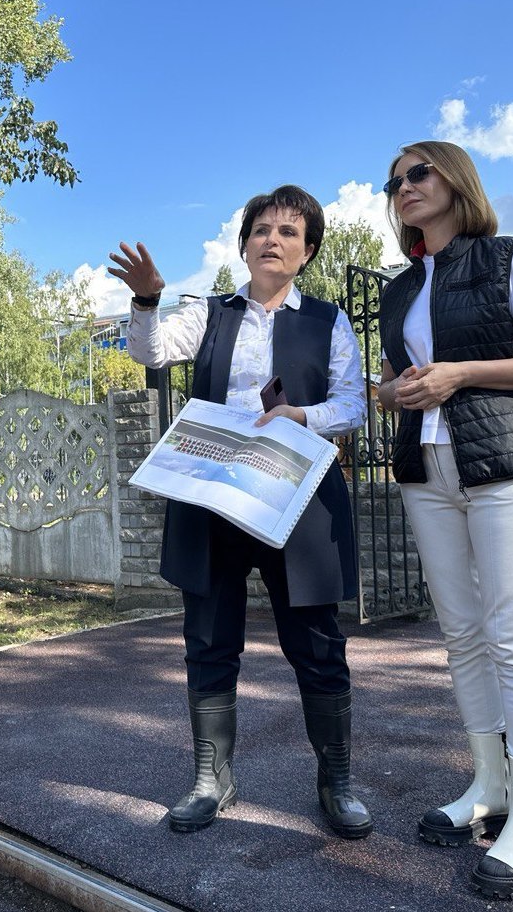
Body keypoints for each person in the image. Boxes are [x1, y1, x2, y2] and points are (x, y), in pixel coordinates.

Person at [107, 185, 373, 840]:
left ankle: (336, 781)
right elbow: (149, 352)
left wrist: (300, 416)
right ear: (244, 244)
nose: (271, 240)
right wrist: (145, 301)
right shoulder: (208, 312)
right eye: (260, 230)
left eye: (288, 232)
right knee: (207, 639)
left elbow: (353, 405)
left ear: (307, 251)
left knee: (317, 644)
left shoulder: (328, 321)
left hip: (297, 500)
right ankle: (211, 779)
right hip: (211, 496)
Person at [376, 141, 513, 899]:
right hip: (426, 468)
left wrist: (461, 374)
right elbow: (396, 382)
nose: (402, 187)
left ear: (454, 178)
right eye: (392, 182)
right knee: (460, 632)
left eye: (416, 173)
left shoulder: (504, 259)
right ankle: (488, 786)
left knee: (512, 632)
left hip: (504, 465)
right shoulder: (401, 288)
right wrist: (394, 391)